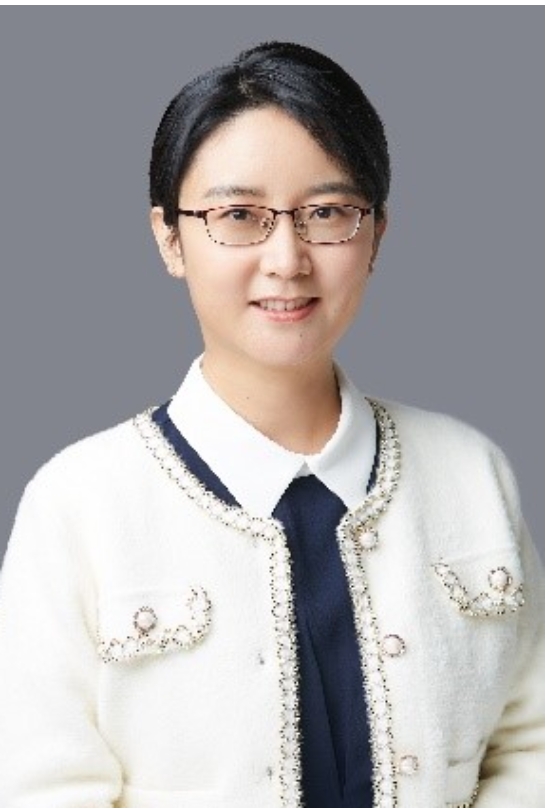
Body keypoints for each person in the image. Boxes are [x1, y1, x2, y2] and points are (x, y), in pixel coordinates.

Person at [0, 41, 544, 809]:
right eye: (238, 216)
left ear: (376, 233)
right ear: (169, 237)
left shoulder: (469, 471)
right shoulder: (79, 502)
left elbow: (537, 743)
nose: (287, 259)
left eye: (326, 213)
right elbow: (41, 788)